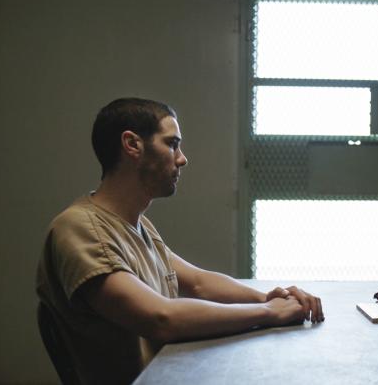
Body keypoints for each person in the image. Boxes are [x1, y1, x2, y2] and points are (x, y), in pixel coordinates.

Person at [36, 97, 324, 385]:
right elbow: (161, 318)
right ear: (132, 145)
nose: (182, 158)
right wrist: (267, 313)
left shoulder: (136, 225)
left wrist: (269, 297)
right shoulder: (79, 228)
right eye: (172, 144)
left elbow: (198, 281)